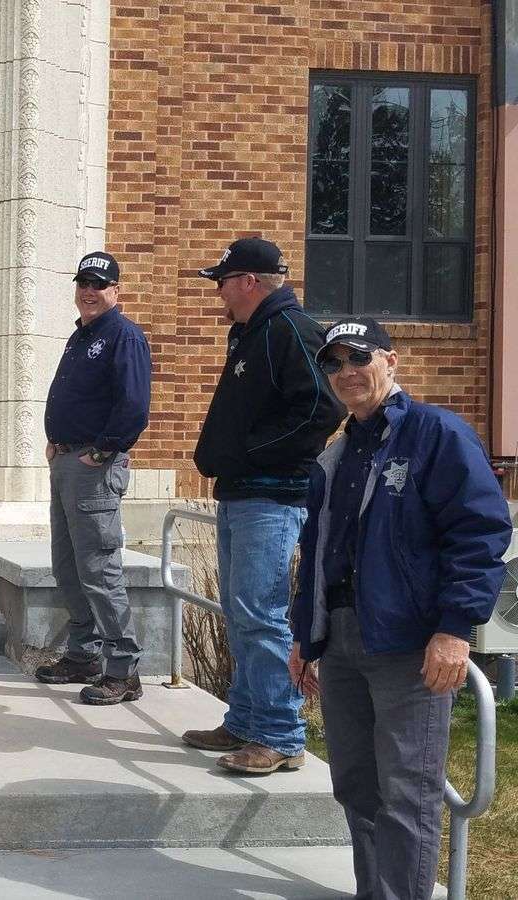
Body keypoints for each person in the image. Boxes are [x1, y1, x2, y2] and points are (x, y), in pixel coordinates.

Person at [290, 317, 511, 900]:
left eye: (358, 357)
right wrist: (304, 636)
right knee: (357, 786)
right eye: (333, 363)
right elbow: (317, 550)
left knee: (407, 792)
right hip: (340, 639)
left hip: (409, 646)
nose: (346, 372)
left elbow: (481, 533)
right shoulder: (338, 451)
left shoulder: (436, 434)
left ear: (391, 360)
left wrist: (455, 629)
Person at [184, 237, 344, 773]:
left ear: (249, 281)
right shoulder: (252, 333)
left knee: (262, 613)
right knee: (241, 610)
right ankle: (246, 718)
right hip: (241, 493)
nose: (220, 294)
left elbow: (324, 406)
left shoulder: (290, 330)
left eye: (224, 282)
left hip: (271, 498)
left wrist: (253, 454)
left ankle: (280, 734)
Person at [36, 251, 152, 704]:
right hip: (67, 462)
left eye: (99, 284)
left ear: (116, 292)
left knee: (100, 569)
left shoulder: (123, 335)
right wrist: (56, 441)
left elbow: (133, 406)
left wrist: (101, 451)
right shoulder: (80, 335)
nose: (89, 291)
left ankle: (123, 669)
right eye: (83, 282)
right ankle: (82, 654)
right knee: (68, 566)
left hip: (94, 467)